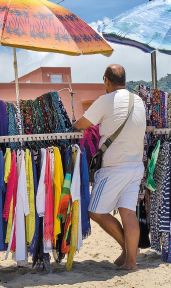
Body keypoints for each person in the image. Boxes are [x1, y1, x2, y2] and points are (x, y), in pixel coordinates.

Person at [73, 64, 146, 271]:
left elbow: (81, 124)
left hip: (114, 166)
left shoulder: (105, 101)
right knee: (128, 212)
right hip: (135, 166)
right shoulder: (138, 100)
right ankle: (130, 260)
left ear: (106, 81)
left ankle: (126, 248)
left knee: (95, 211)